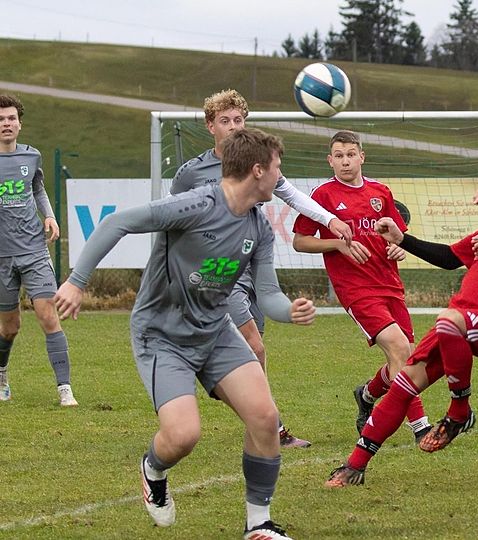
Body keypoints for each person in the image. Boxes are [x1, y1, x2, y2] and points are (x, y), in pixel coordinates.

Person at [55, 128, 313, 539]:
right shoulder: (195, 204)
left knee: (265, 418)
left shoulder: (259, 228)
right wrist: (76, 281)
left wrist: (291, 310)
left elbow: (268, 295)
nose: (281, 177)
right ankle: (153, 469)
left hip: (215, 331)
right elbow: (115, 223)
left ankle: (258, 525)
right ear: (257, 170)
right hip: (162, 334)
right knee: (183, 435)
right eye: (278, 168)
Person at [324, 160, 478, 487]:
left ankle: (459, 411)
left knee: (447, 319)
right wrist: (402, 239)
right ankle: (354, 466)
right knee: (403, 384)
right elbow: (448, 258)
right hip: (460, 323)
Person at [172, 89, 352, 448]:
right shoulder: (191, 173)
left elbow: (292, 195)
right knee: (254, 347)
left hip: (250, 265)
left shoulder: (258, 162)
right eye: (225, 121)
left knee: (253, 349)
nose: (234, 126)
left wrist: (330, 220)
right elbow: (171, 219)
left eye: (239, 119)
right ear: (211, 126)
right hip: (215, 275)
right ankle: (271, 427)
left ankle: (241, 401)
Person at [291, 130, 429, 440]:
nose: (345, 161)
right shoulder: (323, 196)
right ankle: (421, 427)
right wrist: (337, 245)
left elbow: (398, 236)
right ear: (330, 161)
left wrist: (399, 248)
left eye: (350, 154)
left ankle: (367, 394)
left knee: (406, 354)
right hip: (355, 288)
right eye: (338, 156)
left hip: (390, 284)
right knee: (398, 347)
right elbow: (299, 242)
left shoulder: (381, 192)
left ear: (362, 157)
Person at [0, 94, 77, 407]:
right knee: (10, 326)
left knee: (48, 315)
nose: (6, 124)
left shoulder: (32, 157)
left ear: (20, 123)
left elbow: (37, 188)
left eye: (11, 118)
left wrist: (49, 214)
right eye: (1, 119)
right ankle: (2, 375)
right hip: (2, 256)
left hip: (33, 248)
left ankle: (65, 388)